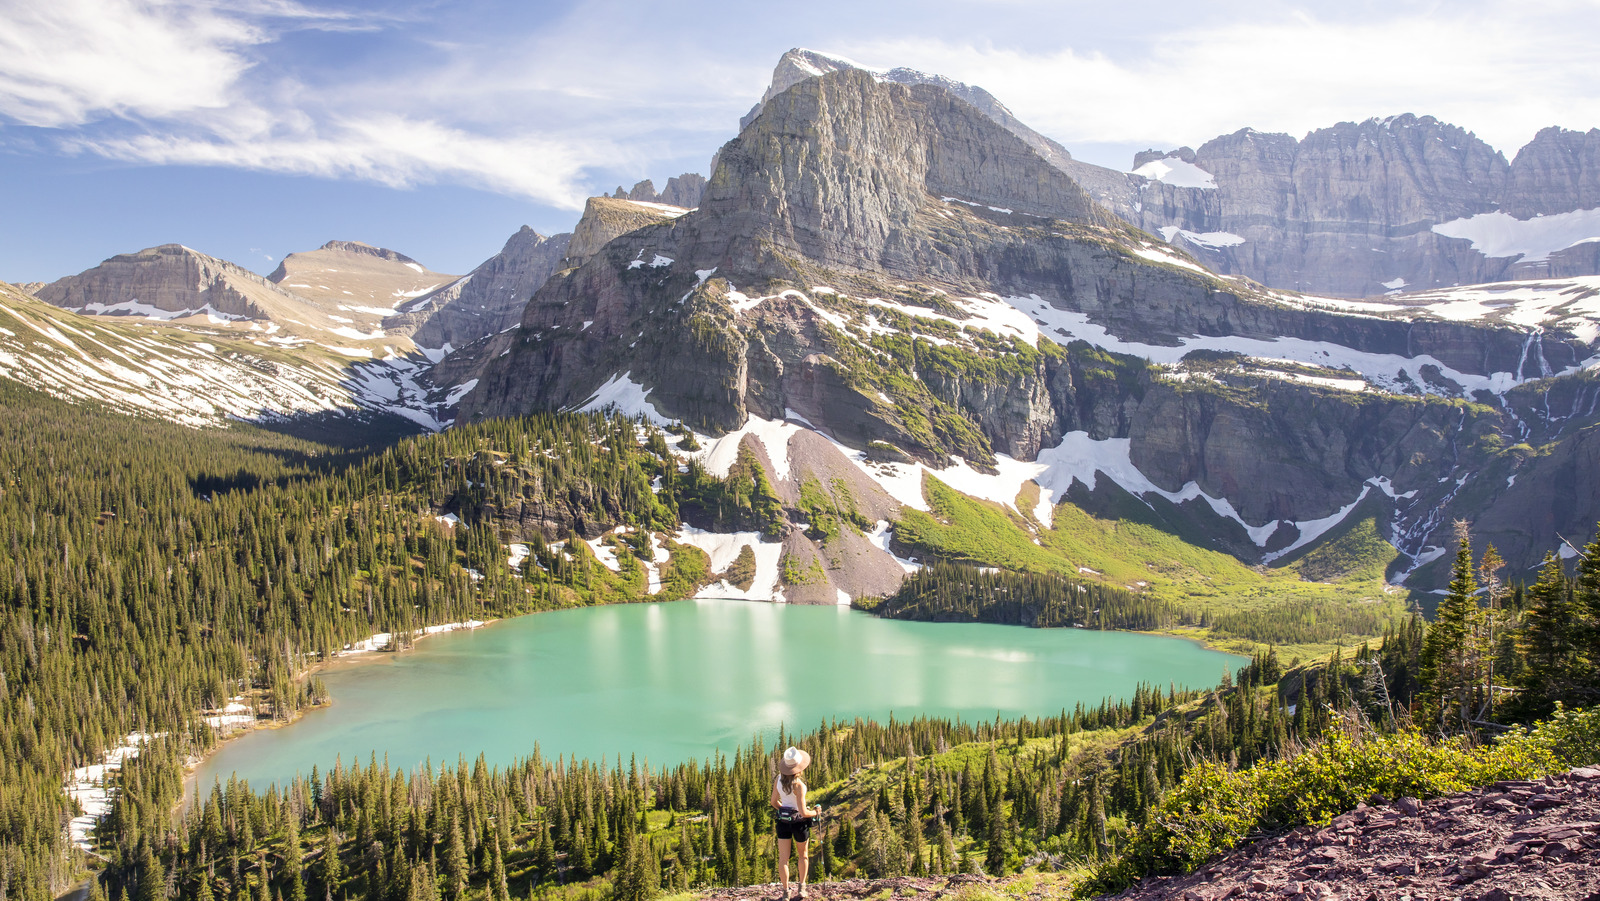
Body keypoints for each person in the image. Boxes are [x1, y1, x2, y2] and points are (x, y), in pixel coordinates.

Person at [770, 746, 819, 899]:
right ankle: (802, 888)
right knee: (803, 856)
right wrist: (816, 812)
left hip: (783, 823)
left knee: (783, 859)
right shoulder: (799, 785)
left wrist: (783, 810)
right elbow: (804, 812)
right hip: (799, 824)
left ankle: (785, 892)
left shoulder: (778, 779)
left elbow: (773, 802)